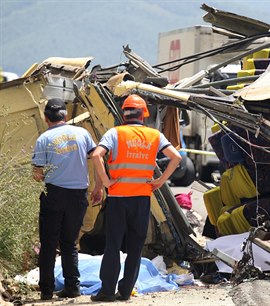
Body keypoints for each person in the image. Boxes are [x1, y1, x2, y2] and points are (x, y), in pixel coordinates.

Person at [90, 94, 181, 302]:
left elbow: (96, 155)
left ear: (124, 114)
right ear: (144, 115)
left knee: (113, 245)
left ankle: (107, 291)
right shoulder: (154, 135)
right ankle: (125, 291)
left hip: (118, 198)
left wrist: (105, 182)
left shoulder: (115, 133)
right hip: (141, 199)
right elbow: (176, 157)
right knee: (135, 247)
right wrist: (161, 180)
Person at [32, 98, 102, 300]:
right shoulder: (82, 133)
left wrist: (44, 176)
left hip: (54, 194)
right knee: (69, 243)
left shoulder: (44, 139)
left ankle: (46, 290)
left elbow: (37, 174)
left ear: (46, 118)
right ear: (66, 116)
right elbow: (96, 157)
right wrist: (99, 186)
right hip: (78, 195)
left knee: (48, 243)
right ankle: (72, 286)